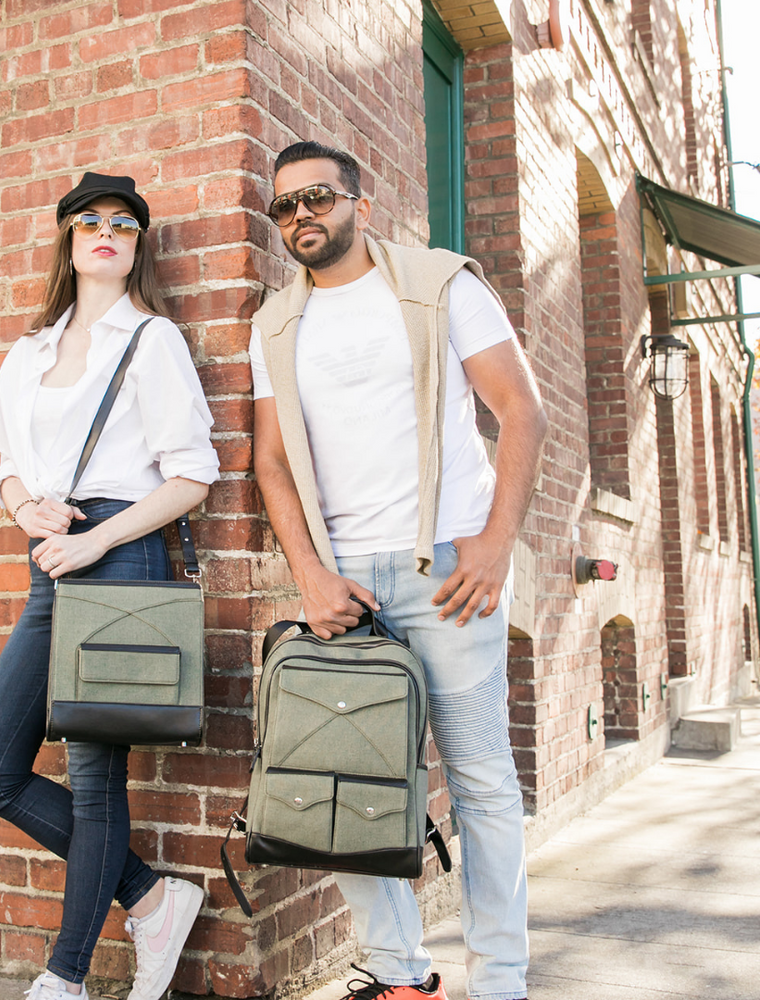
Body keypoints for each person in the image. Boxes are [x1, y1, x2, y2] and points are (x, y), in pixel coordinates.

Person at [249, 142, 547, 1000]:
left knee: (481, 775)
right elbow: (271, 462)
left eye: (319, 198)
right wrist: (308, 573)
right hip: (347, 588)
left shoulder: (441, 283)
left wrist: (492, 545)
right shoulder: (273, 324)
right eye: (286, 208)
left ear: (361, 205)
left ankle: (501, 980)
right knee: (344, 771)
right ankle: (398, 974)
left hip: (447, 569)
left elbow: (520, 410)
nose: (303, 216)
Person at [0, 172, 220, 1000]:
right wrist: (23, 506)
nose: (105, 233)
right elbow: (4, 463)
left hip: (120, 554)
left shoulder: (152, 340)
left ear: (138, 245)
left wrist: (92, 540)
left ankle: (63, 979)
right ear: (67, 241)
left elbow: (192, 477)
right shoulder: (29, 349)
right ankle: (151, 893)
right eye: (88, 222)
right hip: (53, 558)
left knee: (95, 777)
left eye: (122, 223)